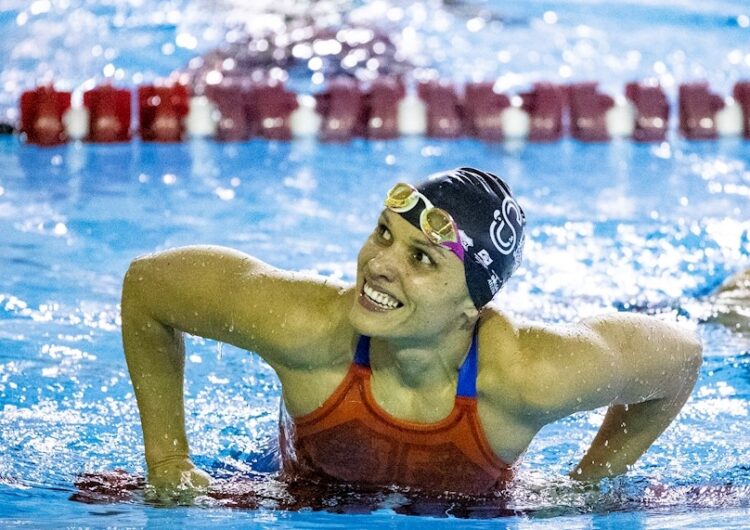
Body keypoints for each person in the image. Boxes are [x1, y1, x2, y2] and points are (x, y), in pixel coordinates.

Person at [121, 167, 703, 499]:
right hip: (299, 484)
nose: (379, 263)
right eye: (383, 233)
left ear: (472, 304)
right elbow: (148, 287)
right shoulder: (309, 328)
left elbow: (682, 358)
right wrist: (168, 459)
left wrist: (589, 485)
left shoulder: (528, 376)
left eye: (422, 259)